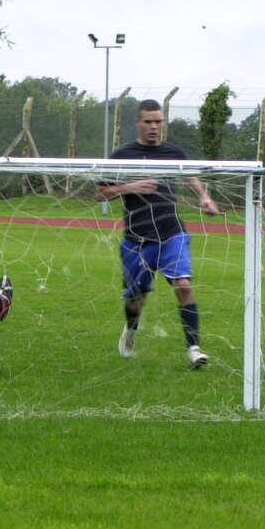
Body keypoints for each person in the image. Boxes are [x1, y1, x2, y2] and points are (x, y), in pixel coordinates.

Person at [96, 99, 219, 369]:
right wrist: (132, 186)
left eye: (158, 122)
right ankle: (130, 328)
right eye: (148, 122)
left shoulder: (173, 153)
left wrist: (204, 197)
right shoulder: (122, 156)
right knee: (136, 299)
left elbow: (190, 175)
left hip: (171, 232)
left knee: (184, 286)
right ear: (138, 123)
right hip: (137, 239)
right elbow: (100, 192)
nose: (154, 127)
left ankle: (194, 348)